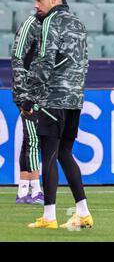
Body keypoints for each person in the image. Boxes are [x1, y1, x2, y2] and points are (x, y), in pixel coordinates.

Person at [22, 0, 93, 229]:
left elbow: (45, 60)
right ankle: (83, 212)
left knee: (49, 155)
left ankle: (49, 216)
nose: (36, 6)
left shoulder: (51, 21)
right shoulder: (78, 24)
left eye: (39, 0)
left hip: (54, 97)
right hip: (75, 98)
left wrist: (30, 95)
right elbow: (84, 62)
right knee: (65, 153)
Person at [11, 13, 44, 205]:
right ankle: (36, 190)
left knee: (28, 140)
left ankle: (23, 191)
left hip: (34, 92)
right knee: (33, 140)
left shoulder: (45, 27)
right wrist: (24, 95)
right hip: (28, 94)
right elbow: (18, 59)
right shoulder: (32, 24)